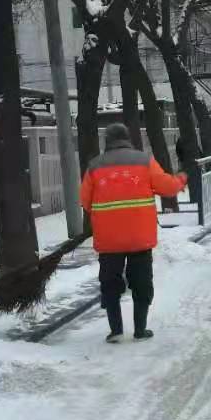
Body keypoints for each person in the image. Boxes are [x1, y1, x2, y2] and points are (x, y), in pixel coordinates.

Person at [80, 123, 188, 342]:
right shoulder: (143, 161)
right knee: (141, 283)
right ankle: (140, 329)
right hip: (140, 238)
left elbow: (85, 201)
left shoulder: (94, 166)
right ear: (127, 138)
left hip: (109, 240)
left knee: (110, 284)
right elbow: (167, 187)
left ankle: (116, 330)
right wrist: (181, 179)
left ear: (107, 141)